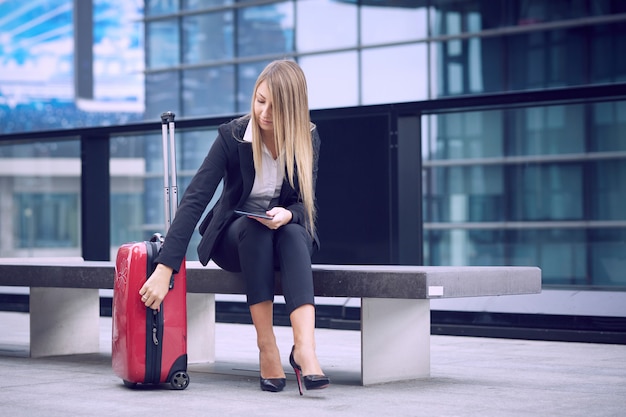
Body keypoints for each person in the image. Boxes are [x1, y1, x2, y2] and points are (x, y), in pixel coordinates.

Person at [138, 60, 329, 395]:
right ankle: (266, 346)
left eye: (276, 105)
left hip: (284, 240)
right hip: (235, 239)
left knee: (294, 230)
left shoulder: (307, 139)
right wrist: (165, 266)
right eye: (260, 100)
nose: (265, 112)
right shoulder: (233, 136)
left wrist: (288, 214)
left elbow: (304, 205)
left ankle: (305, 349)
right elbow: (195, 199)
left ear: (294, 108)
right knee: (254, 228)